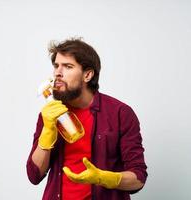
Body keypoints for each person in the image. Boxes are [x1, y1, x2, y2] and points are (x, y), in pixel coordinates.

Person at [26, 38, 147, 200]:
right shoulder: (49, 114)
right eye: (56, 66)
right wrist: (47, 132)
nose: (57, 73)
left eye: (68, 66)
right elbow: (34, 175)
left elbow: (138, 178)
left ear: (88, 75)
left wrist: (104, 178)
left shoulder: (120, 113)